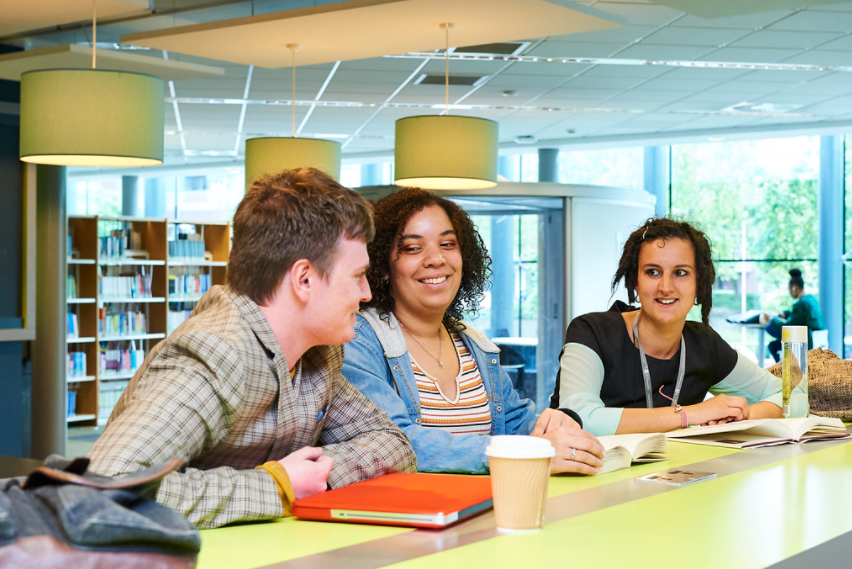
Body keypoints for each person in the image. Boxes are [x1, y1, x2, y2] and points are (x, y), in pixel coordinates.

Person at [87, 168, 417, 529]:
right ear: (304, 279)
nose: (366, 293)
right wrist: (277, 485)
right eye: (356, 276)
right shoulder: (214, 354)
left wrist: (313, 475)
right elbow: (103, 492)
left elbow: (392, 444)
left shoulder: (319, 353)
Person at [342, 187, 604, 475]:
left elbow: (516, 423)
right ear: (382, 266)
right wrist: (523, 453)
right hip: (411, 513)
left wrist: (554, 428)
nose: (436, 259)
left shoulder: (474, 344)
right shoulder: (358, 339)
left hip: (486, 506)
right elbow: (395, 441)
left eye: (448, 244)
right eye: (413, 248)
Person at [549, 217, 808, 437]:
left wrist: (742, 413)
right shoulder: (591, 332)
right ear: (635, 283)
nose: (666, 287)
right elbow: (580, 418)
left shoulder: (704, 344)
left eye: (681, 272)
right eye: (652, 272)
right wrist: (691, 414)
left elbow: (791, 394)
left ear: (699, 284)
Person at [763, 268, 825, 362]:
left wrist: (772, 318)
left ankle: (782, 367)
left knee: (769, 327)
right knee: (773, 345)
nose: (789, 292)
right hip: (816, 337)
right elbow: (799, 315)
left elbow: (788, 326)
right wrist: (784, 314)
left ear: (794, 287)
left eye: (789, 289)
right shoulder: (811, 299)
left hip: (805, 339)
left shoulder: (800, 304)